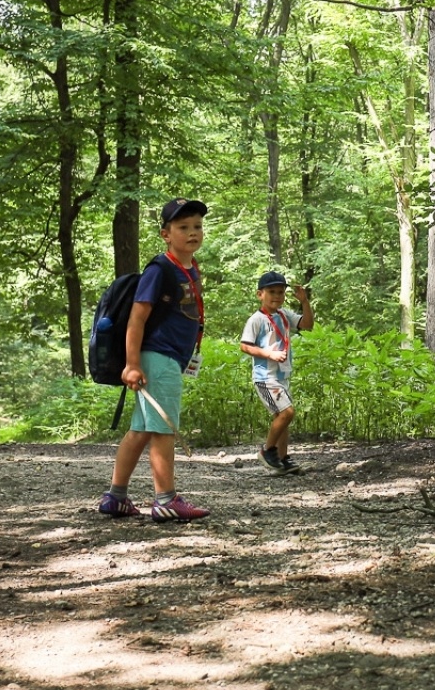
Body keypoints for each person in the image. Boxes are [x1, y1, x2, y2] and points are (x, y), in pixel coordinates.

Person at [98, 198, 212, 523]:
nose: (193, 233)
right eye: (183, 227)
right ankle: (166, 499)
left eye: (197, 226)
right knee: (164, 430)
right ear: (166, 233)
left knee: (142, 429)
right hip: (158, 357)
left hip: (168, 359)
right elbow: (137, 319)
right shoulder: (160, 269)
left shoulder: (189, 268)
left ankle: (116, 497)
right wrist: (131, 364)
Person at [240, 271, 314, 475]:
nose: (277, 296)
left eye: (281, 292)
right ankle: (267, 451)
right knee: (286, 413)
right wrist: (268, 354)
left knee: (283, 418)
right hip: (265, 377)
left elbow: (307, 325)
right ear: (259, 294)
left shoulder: (284, 314)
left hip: (282, 376)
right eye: (271, 291)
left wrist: (305, 302)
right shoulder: (256, 320)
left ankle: (282, 459)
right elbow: (245, 346)